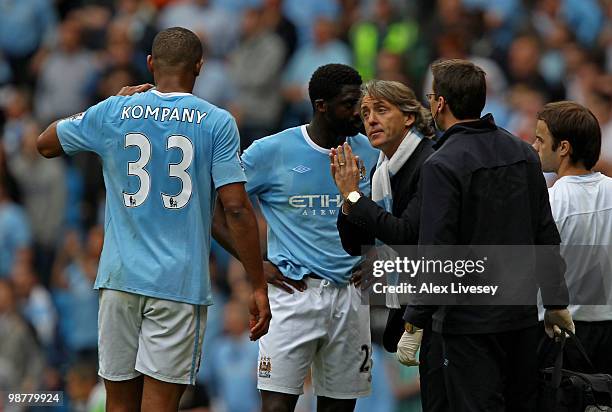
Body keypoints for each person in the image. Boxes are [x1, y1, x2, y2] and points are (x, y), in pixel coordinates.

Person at [36, 27, 271, 412]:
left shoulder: (114, 110)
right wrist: (256, 281)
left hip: (119, 280)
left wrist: (110, 104)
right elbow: (234, 208)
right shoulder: (216, 122)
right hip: (177, 285)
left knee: (117, 404)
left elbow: (45, 142)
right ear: (199, 65)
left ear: (149, 64)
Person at [397, 59, 574, 411]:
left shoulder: (441, 164)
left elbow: (437, 251)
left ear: (440, 103)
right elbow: (545, 233)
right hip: (521, 319)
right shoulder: (523, 152)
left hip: (469, 326)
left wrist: (415, 321)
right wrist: (555, 301)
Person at [212, 63, 379, 412]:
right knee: (276, 407)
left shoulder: (371, 153)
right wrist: (254, 264)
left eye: (359, 102)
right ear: (321, 105)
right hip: (292, 295)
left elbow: (389, 219)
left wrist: (377, 257)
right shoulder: (271, 151)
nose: (358, 111)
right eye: (349, 104)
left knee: (340, 408)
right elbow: (218, 212)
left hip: (351, 295)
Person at [329, 80, 445, 411]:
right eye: (366, 113)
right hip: (410, 303)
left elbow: (407, 234)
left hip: (443, 304)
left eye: (381, 110)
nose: (371, 120)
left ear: (409, 116)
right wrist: (347, 195)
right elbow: (355, 244)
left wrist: (354, 197)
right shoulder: (382, 168)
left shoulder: (429, 162)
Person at [533, 100, 612, 374]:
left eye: (541, 139)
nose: (535, 146)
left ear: (563, 148)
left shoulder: (549, 202)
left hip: (559, 337)